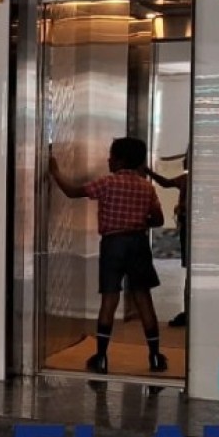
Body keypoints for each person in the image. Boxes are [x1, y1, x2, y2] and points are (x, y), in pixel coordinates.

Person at [48, 137, 167, 375]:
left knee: (109, 299)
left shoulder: (107, 183)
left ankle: (101, 358)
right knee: (143, 298)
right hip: (138, 243)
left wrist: (55, 172)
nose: (108, 160)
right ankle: (155, 356)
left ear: (120, 160)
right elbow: (158, 220)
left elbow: (72, 192)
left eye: (111, 156)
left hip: (113, 244)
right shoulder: (146, 187)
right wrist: (138, 221)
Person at [145, 155, 189, 327]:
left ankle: (188, 312)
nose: (184, 162)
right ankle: (188, 311)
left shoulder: (187, 179)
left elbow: (165, 183)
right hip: (187, 228)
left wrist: (148, 172)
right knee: (189, 271)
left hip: (189, 228)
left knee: (190, 271)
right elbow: (165, 183)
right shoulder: (186, 179)